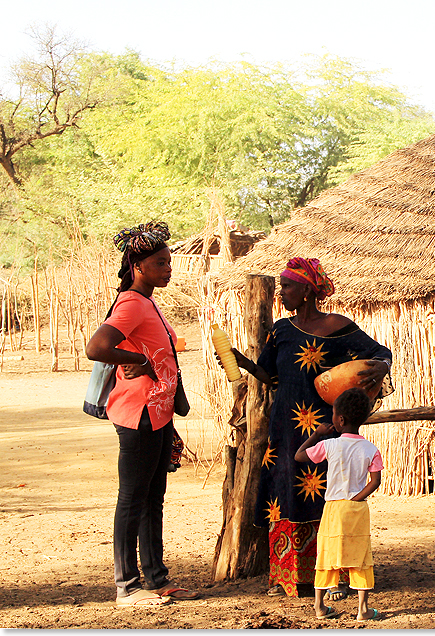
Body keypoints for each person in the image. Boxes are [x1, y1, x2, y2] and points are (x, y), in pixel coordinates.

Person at [221, 257, 392, 598]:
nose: (281, 293)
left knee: (334, 494)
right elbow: (270, 376)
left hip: (329, 429)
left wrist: (381, 366)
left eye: (287, 286)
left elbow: (380, 352)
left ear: (308, 290)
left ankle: (337, 577)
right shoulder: (281, 330)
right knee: (285, 492)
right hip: (285, 429)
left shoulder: (338, 326)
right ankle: (287, 576)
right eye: (282, 286)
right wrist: (243, 364)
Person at [85, 221, 200, 607]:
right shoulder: (132, 302)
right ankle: (127, 586)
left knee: (153, 497)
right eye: (162, 263)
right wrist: (138, 360)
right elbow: (97, 347)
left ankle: (155, 578)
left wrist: (151, 361)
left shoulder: (149, 301)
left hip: (158, 412)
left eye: (169, 262)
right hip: (137, 413)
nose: (169, 269)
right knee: (133, 498)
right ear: (138, 267)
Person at [295, 387, 384, 622]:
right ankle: (363, 610)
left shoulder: (330, 445)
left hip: (333, 507)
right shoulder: (370, 449)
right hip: (357, 508)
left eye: (333, 414)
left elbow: (299, 456)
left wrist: (317, 434)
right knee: (361, 556)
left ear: (340, 419)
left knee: (327, 553)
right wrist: (358, 497)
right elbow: (375, 481)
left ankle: (320, 607)